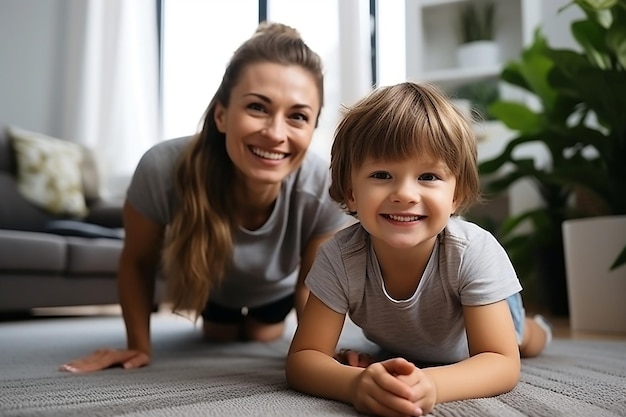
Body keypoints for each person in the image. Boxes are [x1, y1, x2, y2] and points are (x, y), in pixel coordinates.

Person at [60, 22, 349, 373]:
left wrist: (317, 355)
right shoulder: (161, 168)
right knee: (219, 335)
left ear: (313, 126)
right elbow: (137, 263)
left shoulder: (321, 186)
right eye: (258, 107)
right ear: (222, 115)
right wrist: (138, 345)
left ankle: (260, 320)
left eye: (298, 116)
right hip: (213, 294)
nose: (275, 133)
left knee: (263, 334)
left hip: (277, 295)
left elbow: (309, 285)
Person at [285, 82, 552, 417]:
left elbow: (501, 363)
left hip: (484, 319)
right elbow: (303, 358)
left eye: (428, 176)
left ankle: (535, 325)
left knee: (523, 340)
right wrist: (354, 384)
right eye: (382, 174)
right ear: (351, 191)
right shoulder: (339, 257)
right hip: (408, 337)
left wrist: (432, 384)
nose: (405, 194)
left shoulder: (473, 251)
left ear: (455, 195)